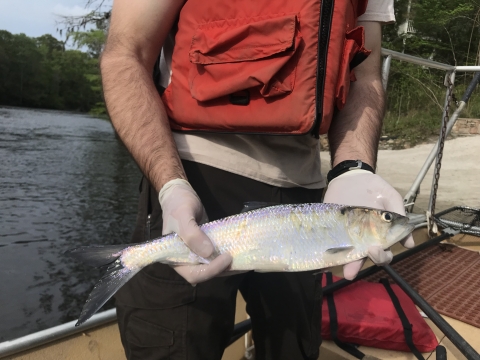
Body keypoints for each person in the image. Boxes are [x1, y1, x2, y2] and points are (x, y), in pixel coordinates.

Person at [100, 0, 414, 359]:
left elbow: (365, 76)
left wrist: (353, 167)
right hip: (194, 176)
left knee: (294, 349)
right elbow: (126, 53)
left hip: (307, 195)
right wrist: (170, 184)